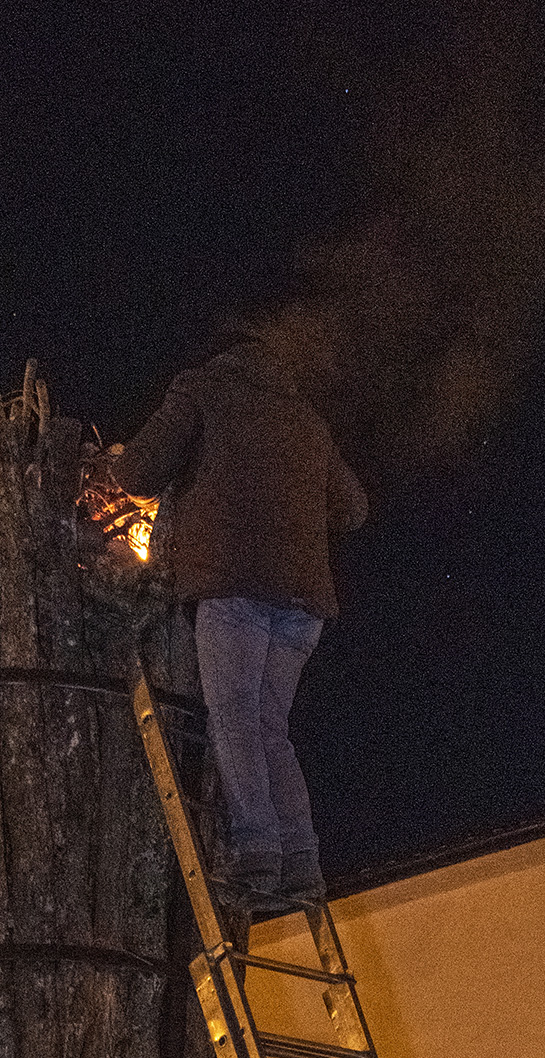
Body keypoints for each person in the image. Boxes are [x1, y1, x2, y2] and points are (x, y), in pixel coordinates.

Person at [95, 334, 368, 910]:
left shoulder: (199, 390)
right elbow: (353, 509)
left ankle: (257, 860)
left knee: (234, 720)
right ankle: (302, 867)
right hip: (304, 606)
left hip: (234, 590)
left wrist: (117, 466)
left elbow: (139, 472)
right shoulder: (304, 417)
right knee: (270, 728)